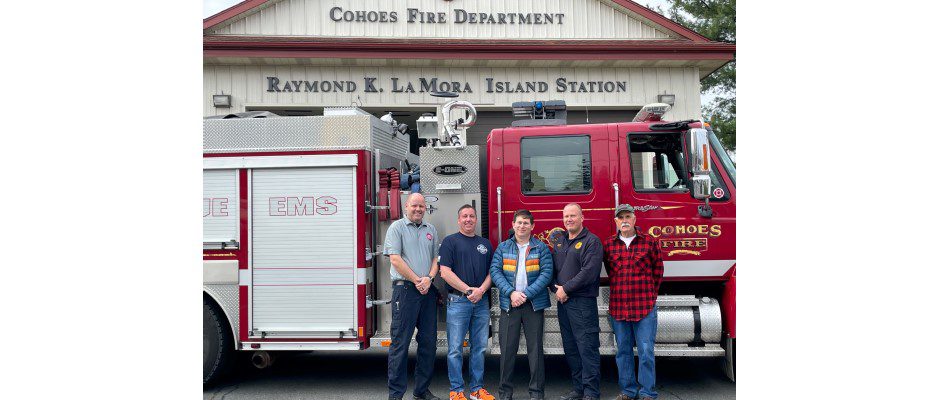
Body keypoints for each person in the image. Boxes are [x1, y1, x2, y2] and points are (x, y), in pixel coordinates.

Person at [489, 209, 554, 400]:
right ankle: (505, 393)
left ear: (532, 226)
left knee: (535, 351)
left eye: (526, 223)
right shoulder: (503, 248)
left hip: (533, 305)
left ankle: (536, 393)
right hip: (510, 304)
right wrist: (512, 293)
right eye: (519, 222)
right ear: (513, 225)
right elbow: (495, 272)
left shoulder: (541, 248)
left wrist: (525, 295)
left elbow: (546, 274)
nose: (522, 226)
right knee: (507, 351)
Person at [602, 204, 664, 400]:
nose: (624, 220)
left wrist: (650, 296)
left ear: (634, 219)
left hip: (644, 306)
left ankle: (647, 392)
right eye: (620, 218)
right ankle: (628, 391)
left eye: (628, 216)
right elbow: (610, 272)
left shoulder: (650, 242)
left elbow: (658, 271)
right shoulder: (609, 245)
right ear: (616, 221)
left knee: (646, 351)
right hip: (619, 307)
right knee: (623, 351)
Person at [384, 193, 441, 400]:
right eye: (414, 205)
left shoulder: (430, 229)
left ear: (426, 208)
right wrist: (418, 280)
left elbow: (436, 259)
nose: (418, 209)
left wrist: (429, 278)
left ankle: (421, 390)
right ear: (406, 206)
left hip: (427, 292)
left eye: (421, 206)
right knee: (400, 344)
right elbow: (395, 260)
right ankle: (396, 395)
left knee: (428, 343)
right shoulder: (396, 228)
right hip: (406, 291)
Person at [439, 205, 496, 400]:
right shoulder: (450, 242)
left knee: (479, 348)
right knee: (455, 349)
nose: (468, 219)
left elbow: (492, 272)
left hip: (481, 302)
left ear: (476, 219)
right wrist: (468, 290)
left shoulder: (485, 244)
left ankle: (476, 390)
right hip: (458, 301)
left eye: (472, 216)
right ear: (458, 220)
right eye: (464, 216)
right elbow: (445, 272)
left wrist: (481, 291)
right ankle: (456, 390)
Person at [549, 203, 603, 400]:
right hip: (564, 302)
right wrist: (555, 288)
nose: (569, 219)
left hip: (582, 303)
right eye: (566, 216)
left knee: (586, 347)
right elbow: (552, 270)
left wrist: (565, 289)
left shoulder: (591, 241)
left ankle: (591, 392)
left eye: (573, 216)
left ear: (582, 218)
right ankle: (579, 388)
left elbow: (589, 272)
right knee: (571, 347)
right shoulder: (560, 241)